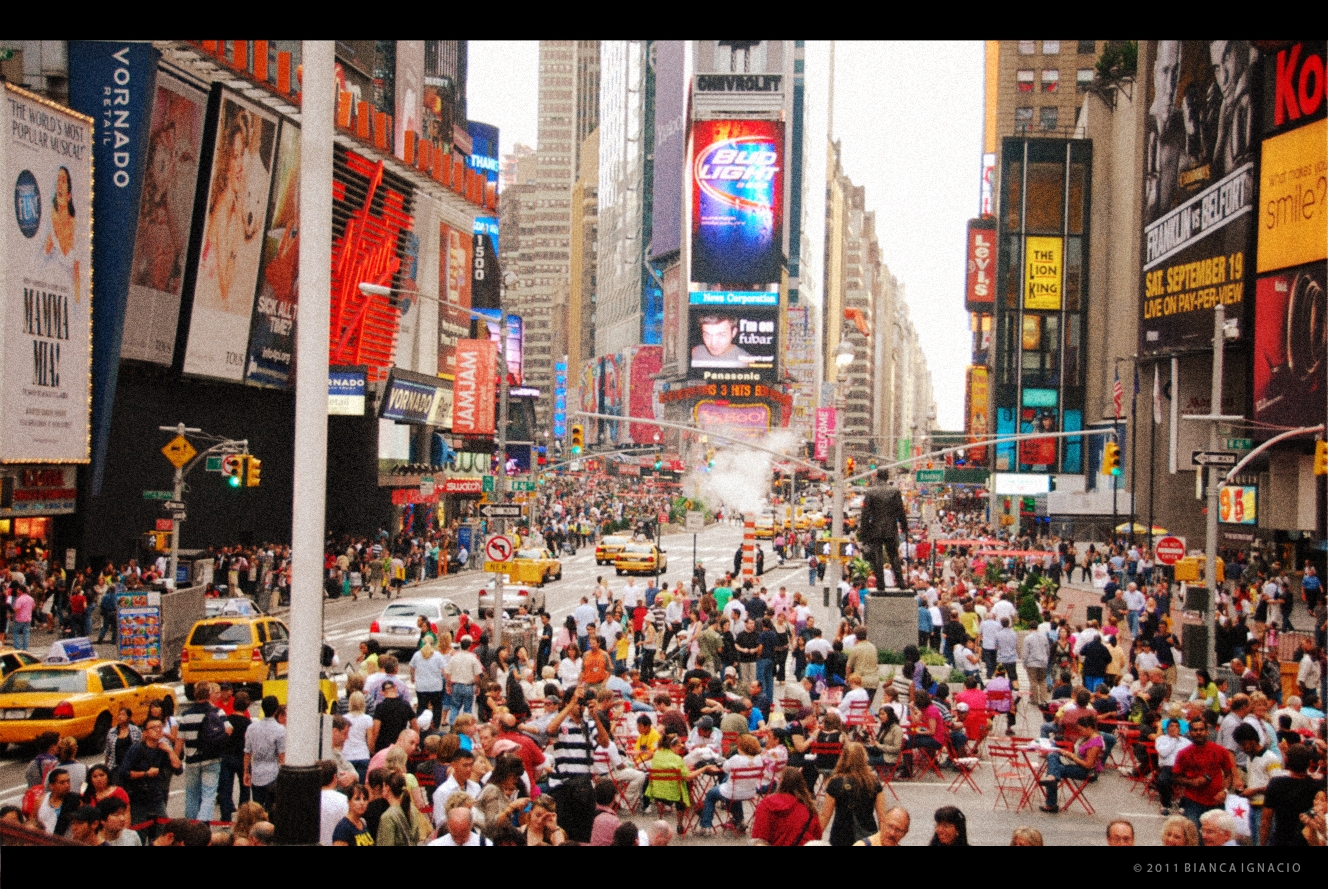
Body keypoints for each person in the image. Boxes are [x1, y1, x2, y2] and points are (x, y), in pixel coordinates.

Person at [119, 716, 181, 840]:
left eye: (160, 727)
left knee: (163, 831)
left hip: (156, 797)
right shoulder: (137, 749)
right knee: (139, 834)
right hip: (138, 799)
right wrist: (146, 774)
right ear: (145, 733)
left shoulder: (162, 748)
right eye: (153, 728)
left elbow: (178, 769)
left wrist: (170, 750)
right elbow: (123, 773)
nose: (158, 730)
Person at [180, 681, 233, 822]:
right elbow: (229, 729)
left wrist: (176, 758)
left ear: (194, 694)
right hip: (212, 758)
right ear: (209, 694)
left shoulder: (186, 715)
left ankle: (190, 827)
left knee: (192, 795)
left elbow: (180, 740)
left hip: (192, 760)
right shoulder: (217, 712)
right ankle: (202, 827)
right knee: (208, 795)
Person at [819, 741, 887, 847]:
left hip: (841, 835)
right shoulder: (874, 782)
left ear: (843, 758)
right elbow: (882, 817)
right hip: (867, 835)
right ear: (864, 758)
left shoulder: (835, 783)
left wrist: (813, 838)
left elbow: (825, 816)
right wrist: (883, 841)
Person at [1173, 719, 1238, 829]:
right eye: (1195, 730)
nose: (1198, 732)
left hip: (1216, 802)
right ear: (1190, 733)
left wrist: (1225, 791)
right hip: (1193, 802)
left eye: (1201, 729)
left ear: (1207, 731)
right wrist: (1192, 782)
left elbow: (1228, 774)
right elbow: (1176, 778)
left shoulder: (1220, 751)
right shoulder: (1183, 754)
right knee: (1193, 836)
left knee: (1215, 837)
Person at [1039, 714, 1105, 813]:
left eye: (1081, 730)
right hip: (1076, 764)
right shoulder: (1086, 737)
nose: (1080, 732)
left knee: (1055, 769)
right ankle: (1052, 779)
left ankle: (1051, 802)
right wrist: (1068, 754)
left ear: (1089, 728)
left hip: (1086, 771)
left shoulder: (1095, 743)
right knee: (1053, 755)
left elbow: (1088, 765)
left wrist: (1072, 756)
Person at [858, 469, 909, 592]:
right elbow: (900, 511)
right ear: (887, 477)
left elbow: (865, 514)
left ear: (876, 477)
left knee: (877, 557)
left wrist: (864, 533)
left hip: (875, 529)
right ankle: (901, 583)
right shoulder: (894, 491)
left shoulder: (870, 492)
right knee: (894, 556)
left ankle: (880, 584)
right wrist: (904, 527)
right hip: (890, 528)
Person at [1261, 744, 1321, 846]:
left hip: (1281, 840)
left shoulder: (1276, 784)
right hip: (1306, 841)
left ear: (1286, 760)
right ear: (1310, 763)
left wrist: (1262, 844)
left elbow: (1265, 821)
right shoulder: (1317, 786)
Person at [751, 768, 823, 846]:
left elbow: (759, 839)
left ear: (781, 782)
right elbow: (817, 836)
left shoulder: (766, 805)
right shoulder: (808, 808)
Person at [243, 696, 286, 807]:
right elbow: (282, 755)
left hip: (256, 772)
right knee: (271, 807)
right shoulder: (280, 729)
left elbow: (247, 752)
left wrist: (246, 771)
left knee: (257, 807)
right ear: (276, 710)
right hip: (273, 773)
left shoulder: (251, 728)